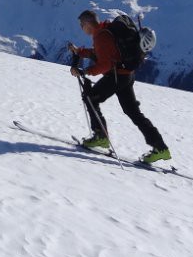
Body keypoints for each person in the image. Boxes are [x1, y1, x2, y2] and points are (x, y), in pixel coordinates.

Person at [68, 9, 171, 164]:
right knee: (133, 112)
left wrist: (84, 71)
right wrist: (80, 52)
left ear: (88, 23)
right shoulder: (105, 30)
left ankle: (101, 136)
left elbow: (105, 64)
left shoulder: (101, 36)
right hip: (126, 75)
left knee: (90, 98)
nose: (81, 28)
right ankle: (160, 147)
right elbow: (103, 53)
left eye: (82, 24)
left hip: (116, 77)